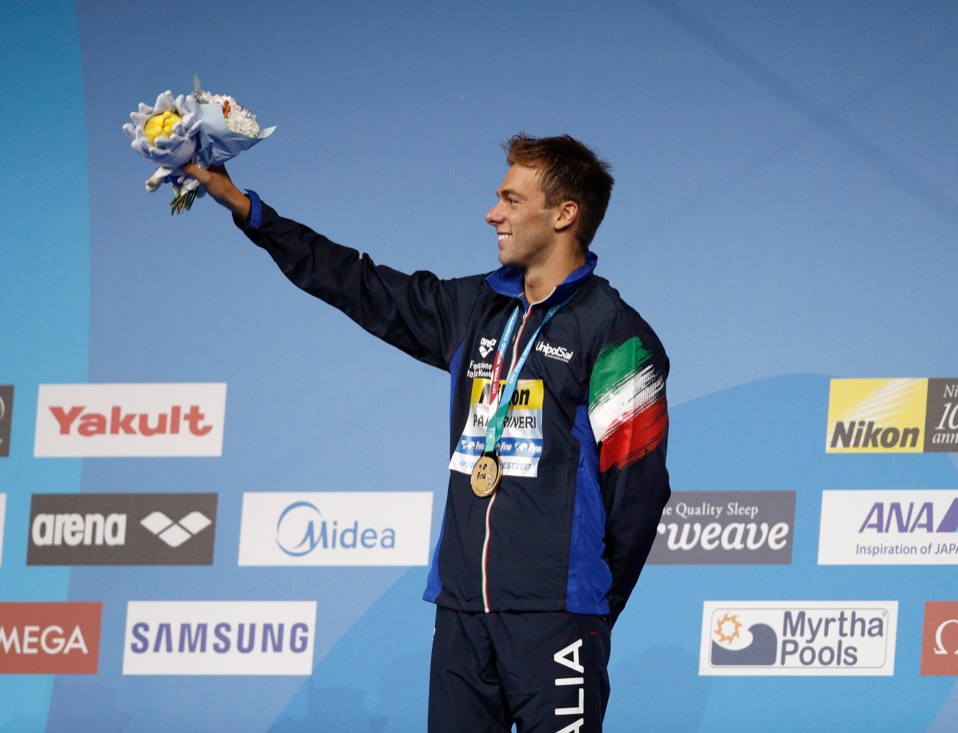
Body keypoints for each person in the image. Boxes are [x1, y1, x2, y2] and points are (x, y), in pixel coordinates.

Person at [184, 133, 670, 733]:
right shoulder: (470, 308)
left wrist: (586, 604)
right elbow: (355, 282)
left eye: (512, 200)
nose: (493, 213)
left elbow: (639, 493)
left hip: (557, 618)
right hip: (462, 612)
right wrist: (246, 208)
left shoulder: (617, 335)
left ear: (565, 214)